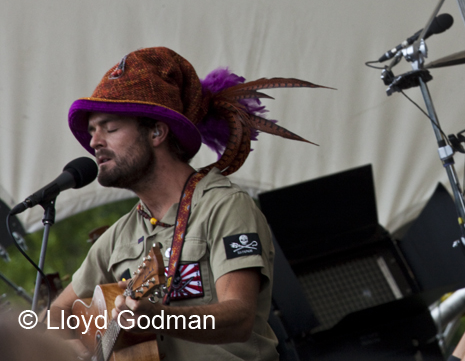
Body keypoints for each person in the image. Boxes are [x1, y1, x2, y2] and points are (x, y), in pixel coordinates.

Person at [48, 47, 323, 361]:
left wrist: (160, 317)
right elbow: (57, 311)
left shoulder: (224, 206)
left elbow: (239, 316)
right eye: (92, 131)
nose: (95, 142)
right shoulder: (117, 237)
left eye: (109, 128)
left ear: (157, 132)